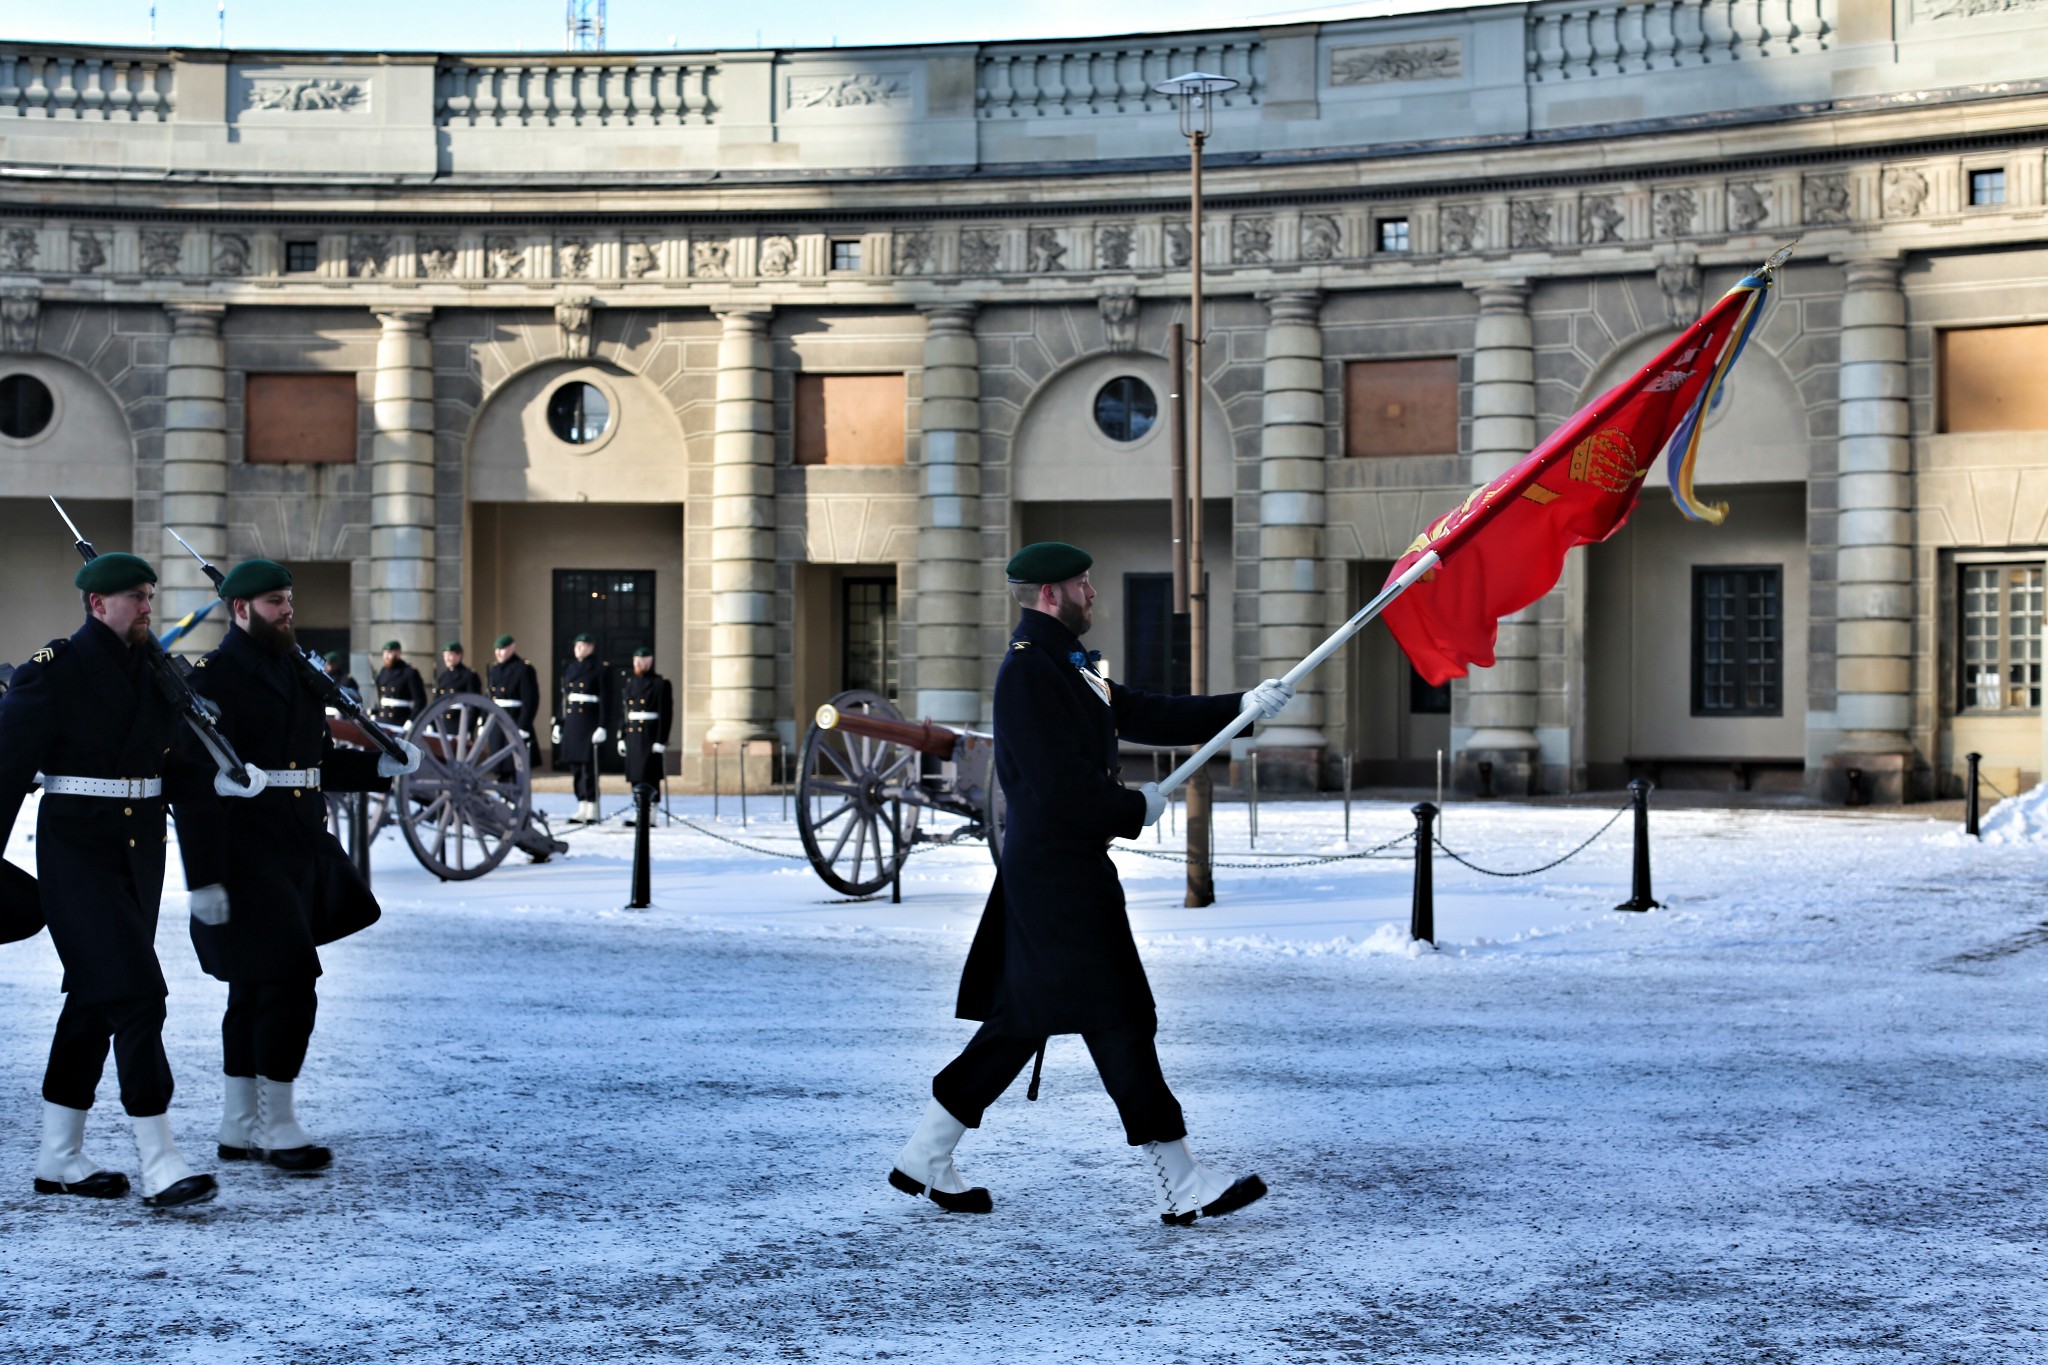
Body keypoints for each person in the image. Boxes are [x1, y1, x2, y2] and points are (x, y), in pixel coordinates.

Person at [887, 542, 1293, 1225]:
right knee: (1120, 1017)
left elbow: (1143, 711)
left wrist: (1243, 708)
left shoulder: (1069, 665)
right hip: (1058, 877)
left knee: (1025, 1022)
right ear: (1050, 594)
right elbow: (1056, 792)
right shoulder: (1027, 674)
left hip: (1062, 872)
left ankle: (926, 1154)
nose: (1092, 592)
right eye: (1082, 582)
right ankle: (1180, 1181)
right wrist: (1134, 808)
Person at [0, 551, 260, 1208]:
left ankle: (59, 1156)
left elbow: (179, 774)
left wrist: (207, 867)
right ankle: (160, 1157)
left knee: (94, 999)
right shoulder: (53, 673)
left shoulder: (155, 672)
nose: (149, 606)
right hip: (77, 856)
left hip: (140, 854)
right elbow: (3, 773)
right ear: (97, 604)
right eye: (137, 597)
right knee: (140, 993)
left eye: (149, 594)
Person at [172, 560, 420, 1174]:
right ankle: (277, 1124)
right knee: (291, 983)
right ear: (240, 610)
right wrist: (201, 876)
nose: (287, 610)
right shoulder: (213, 677)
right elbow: (188, 781)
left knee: (253, 988)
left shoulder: (298, 671)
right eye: (275, 602)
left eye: (288, 600)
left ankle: (238, 1126)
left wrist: (377, 769)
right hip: (245, 851)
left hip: (300, 845)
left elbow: (314, 764)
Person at [553, 633, 613, 825]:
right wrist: (558, 723)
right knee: (576, 768)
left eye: (583, 646)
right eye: (576, 646)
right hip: (573, 723)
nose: (578, 649)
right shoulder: (570, 669)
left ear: (591, 648)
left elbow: (607, 700)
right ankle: (581, 805)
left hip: (589, 722)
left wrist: (603, 726)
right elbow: (564, 698)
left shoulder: (600, 669)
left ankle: (592, 808)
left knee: (589, 768)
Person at [615, 645, 672, 826]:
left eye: (643, 660)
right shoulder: (630, 683)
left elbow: (666, 713)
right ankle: (639, 811)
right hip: (633, 735)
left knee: (650, 775)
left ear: (650, 662)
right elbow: (624, 712)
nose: (639, 663)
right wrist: (622, 735)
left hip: (650, 735)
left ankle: (651, 815)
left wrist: (661, 739)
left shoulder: (660, 684)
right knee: (635, 775)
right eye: (636, 661)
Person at [489, 634, 541, 772]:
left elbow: (530, 700)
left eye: (502, 649)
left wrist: (524, 725)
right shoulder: (494, 670)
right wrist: (484, 721)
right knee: (499, 765)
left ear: (512, 648)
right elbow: (489, 697)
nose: (498, 653)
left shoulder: (523, 669)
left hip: (515, 719)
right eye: (496, 650)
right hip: (497, 720)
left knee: (513, 764)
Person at [433, 641, 484, 740]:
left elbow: (473, 706)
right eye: (445, 655)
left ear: (459, 655)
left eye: (450, 655)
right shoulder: (443, 677)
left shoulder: (469, 675)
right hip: (443, 725)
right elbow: (435, 702)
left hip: (459, 724)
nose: (447, 658)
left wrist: (468, 729)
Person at [372, 641, 427, 730]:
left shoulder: (409, 672)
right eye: (384, 653)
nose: (386, 656)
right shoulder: (383, 672)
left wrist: (411, 721)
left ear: (398, 653)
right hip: (382, 720)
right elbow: (380, 698)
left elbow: (420, 702)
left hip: (400, 721)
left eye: (389, 653)